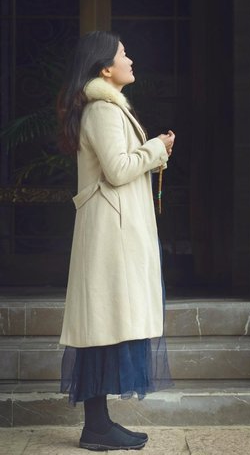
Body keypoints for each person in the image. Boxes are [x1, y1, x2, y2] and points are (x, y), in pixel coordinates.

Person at [57, 30, 175, 451]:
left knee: (105, 324)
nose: (131, 59)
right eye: (124, 54)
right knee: (103, 324)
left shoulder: (106, 107)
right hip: (111, 234)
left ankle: (99, 424)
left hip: (114, 230)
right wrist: (156, 149)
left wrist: (151, 151)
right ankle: (97, 426)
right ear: (106, 68)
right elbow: (117, 169)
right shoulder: (104, 111)